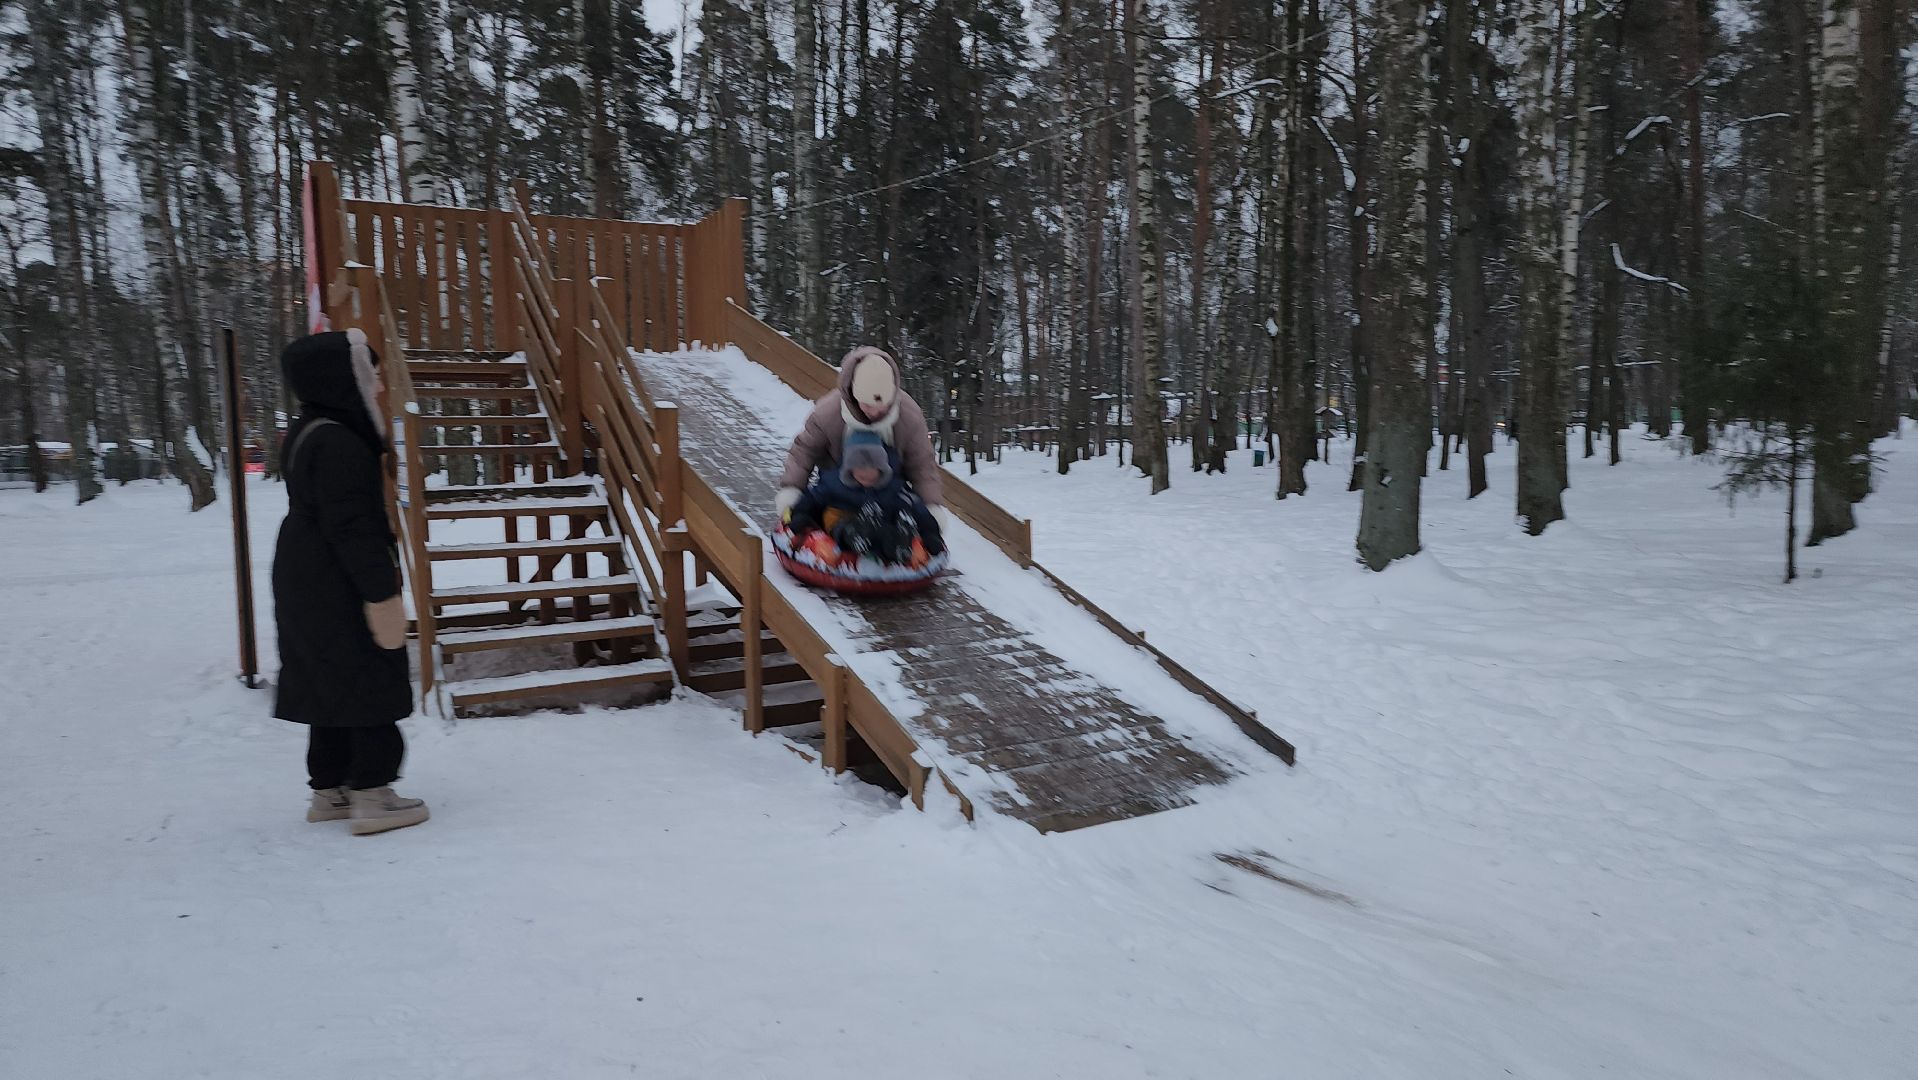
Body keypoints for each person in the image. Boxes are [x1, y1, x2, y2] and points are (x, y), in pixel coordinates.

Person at [272, 329, 428, 836]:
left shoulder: (310, 430)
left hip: (307, 574)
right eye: (373, 375)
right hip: (338, 577)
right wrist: (381, 593)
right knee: (366, 673)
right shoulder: (340, 443)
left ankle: (331, 788)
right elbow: (354, 527)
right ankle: (372, 793)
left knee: (329, 678)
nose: (380, 387)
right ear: (346, 379)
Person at [776, 345, 947, 540]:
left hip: (887, 488)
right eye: (867, 405)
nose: (873, 413)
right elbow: (803, 452)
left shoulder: (909, 418)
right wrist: (793, 491)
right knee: (827, 516)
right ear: (854, 394)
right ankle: (845, 535)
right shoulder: (828, 414)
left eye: (880, 407)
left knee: (901, 513)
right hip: (837, 489)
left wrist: (930, 508)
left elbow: (922, 464)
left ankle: (898, 539)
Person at [788, 429, 943, 564]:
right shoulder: (834, 483)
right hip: (843, 522)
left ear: (882, 467)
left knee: (886, 530)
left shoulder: (891, 486)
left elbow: (915, 506)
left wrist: (931, 533)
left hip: (881, 521)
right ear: (849, 466)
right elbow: (812, 498)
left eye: (873, 467)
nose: (867, 472)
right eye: (860, 466)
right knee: (840, 523)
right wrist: (800, 516)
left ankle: (899, 543)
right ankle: (858, 534)